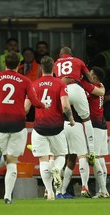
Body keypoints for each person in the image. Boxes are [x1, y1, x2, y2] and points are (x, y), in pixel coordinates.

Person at [0, 51, 47, 204]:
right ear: (19, 64)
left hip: (0, 124)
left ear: (4, 63)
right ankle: (7, 196)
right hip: (17, 125)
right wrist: (42, 105)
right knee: (12, 161)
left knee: (0, 154)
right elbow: (34, 100)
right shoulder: (25, 80)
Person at [25, 56, 75, 201]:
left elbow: (26, 108)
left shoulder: (33, 85)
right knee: (60, 156)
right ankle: (57, 170)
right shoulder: (60, 84)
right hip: (56, 127)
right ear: (53, 68)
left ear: (41, 69)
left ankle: (49, 192)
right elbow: (65, 106)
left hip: (39, 127)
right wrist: (71, 119)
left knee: (43, 160)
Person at [53, 46, 96, 165]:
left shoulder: (55, 63)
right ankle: (92, 151)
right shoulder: (78, 61)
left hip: (62, 90)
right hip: (75, 88)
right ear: (71, 54)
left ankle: (53, 151)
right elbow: (91, 79)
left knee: (57, 117)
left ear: (60, 56)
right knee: (86, 119)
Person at [83, 66, 110, 198]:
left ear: (94, 77)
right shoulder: (100, 86)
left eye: (90, 74)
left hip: (95, 125)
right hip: (102, 124)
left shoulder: (92, 88)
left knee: (94, 158)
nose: (88, 74)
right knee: (100, 157)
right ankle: (101, 190)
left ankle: (103, 190)